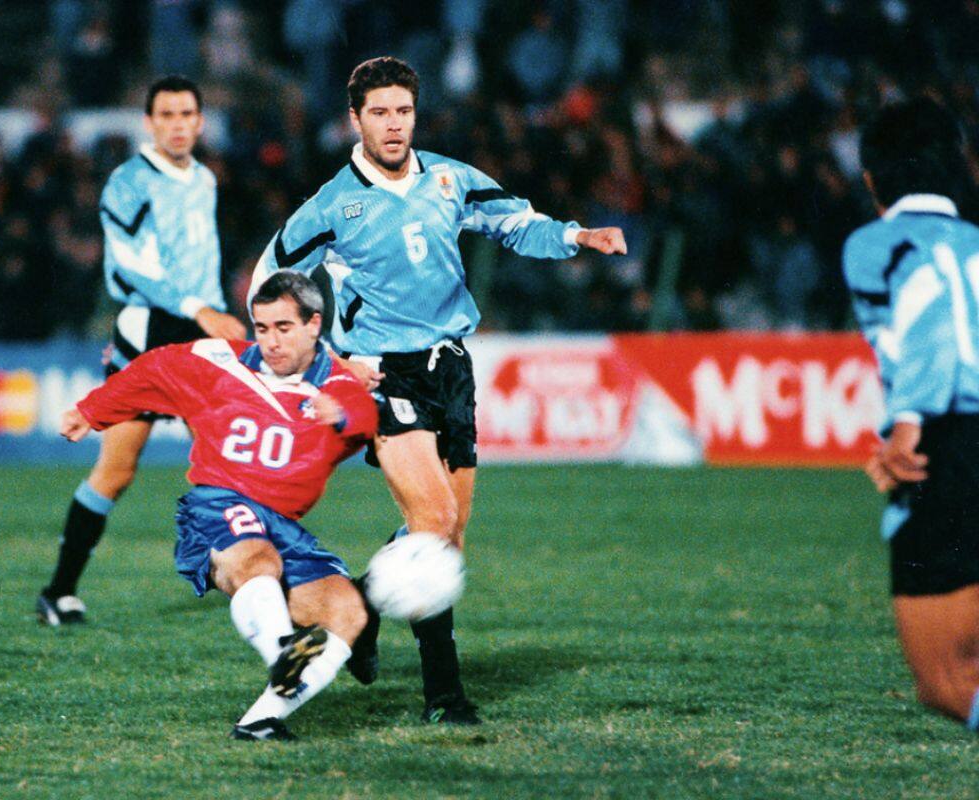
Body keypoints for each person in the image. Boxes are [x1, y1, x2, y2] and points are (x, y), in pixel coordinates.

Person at [250, 56, 627, 723]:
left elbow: (514, 222)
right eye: (380, 113)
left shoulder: (450, 179)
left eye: (403, 111)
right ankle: (444, 696)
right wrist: (321, 360)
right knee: (432, 521)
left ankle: (360, 608)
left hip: (451, 367)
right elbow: (269, 281)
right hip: (383, 374)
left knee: (448, 539)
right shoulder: (334, 204)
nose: (394, 125)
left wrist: (577, 235)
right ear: (356, 119)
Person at [60, 271, 378, 740]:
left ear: (314, 325)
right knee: (256, 559)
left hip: (284, 526)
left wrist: (344, 414)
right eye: (262, 327)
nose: (271, 341)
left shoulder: (336, 382)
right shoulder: (221, 360)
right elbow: (154, 369)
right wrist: (91, 411)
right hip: (217, 506)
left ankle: (260, 721)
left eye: (284, 327)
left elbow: (364, 414)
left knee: (348, 612)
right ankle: (281, 652)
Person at [37, 75, 246, 626]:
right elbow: (130, 264)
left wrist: (214, 312)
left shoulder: (204, 178)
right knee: (116, 470)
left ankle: (254, 578)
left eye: (186, 115)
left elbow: (203, 259)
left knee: (230, 462)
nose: (177, 125)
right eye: (166, 115)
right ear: (150, 123)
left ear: (200, 122)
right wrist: (199, 309)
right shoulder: (129, 181)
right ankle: (59, 592)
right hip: (148, 330)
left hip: (202, 333)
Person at [843, 97, 979, 729]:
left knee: (948, 682)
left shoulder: (876, 245)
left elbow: (931, 308)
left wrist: (907, 424)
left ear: (871, 179)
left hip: (951, 447)